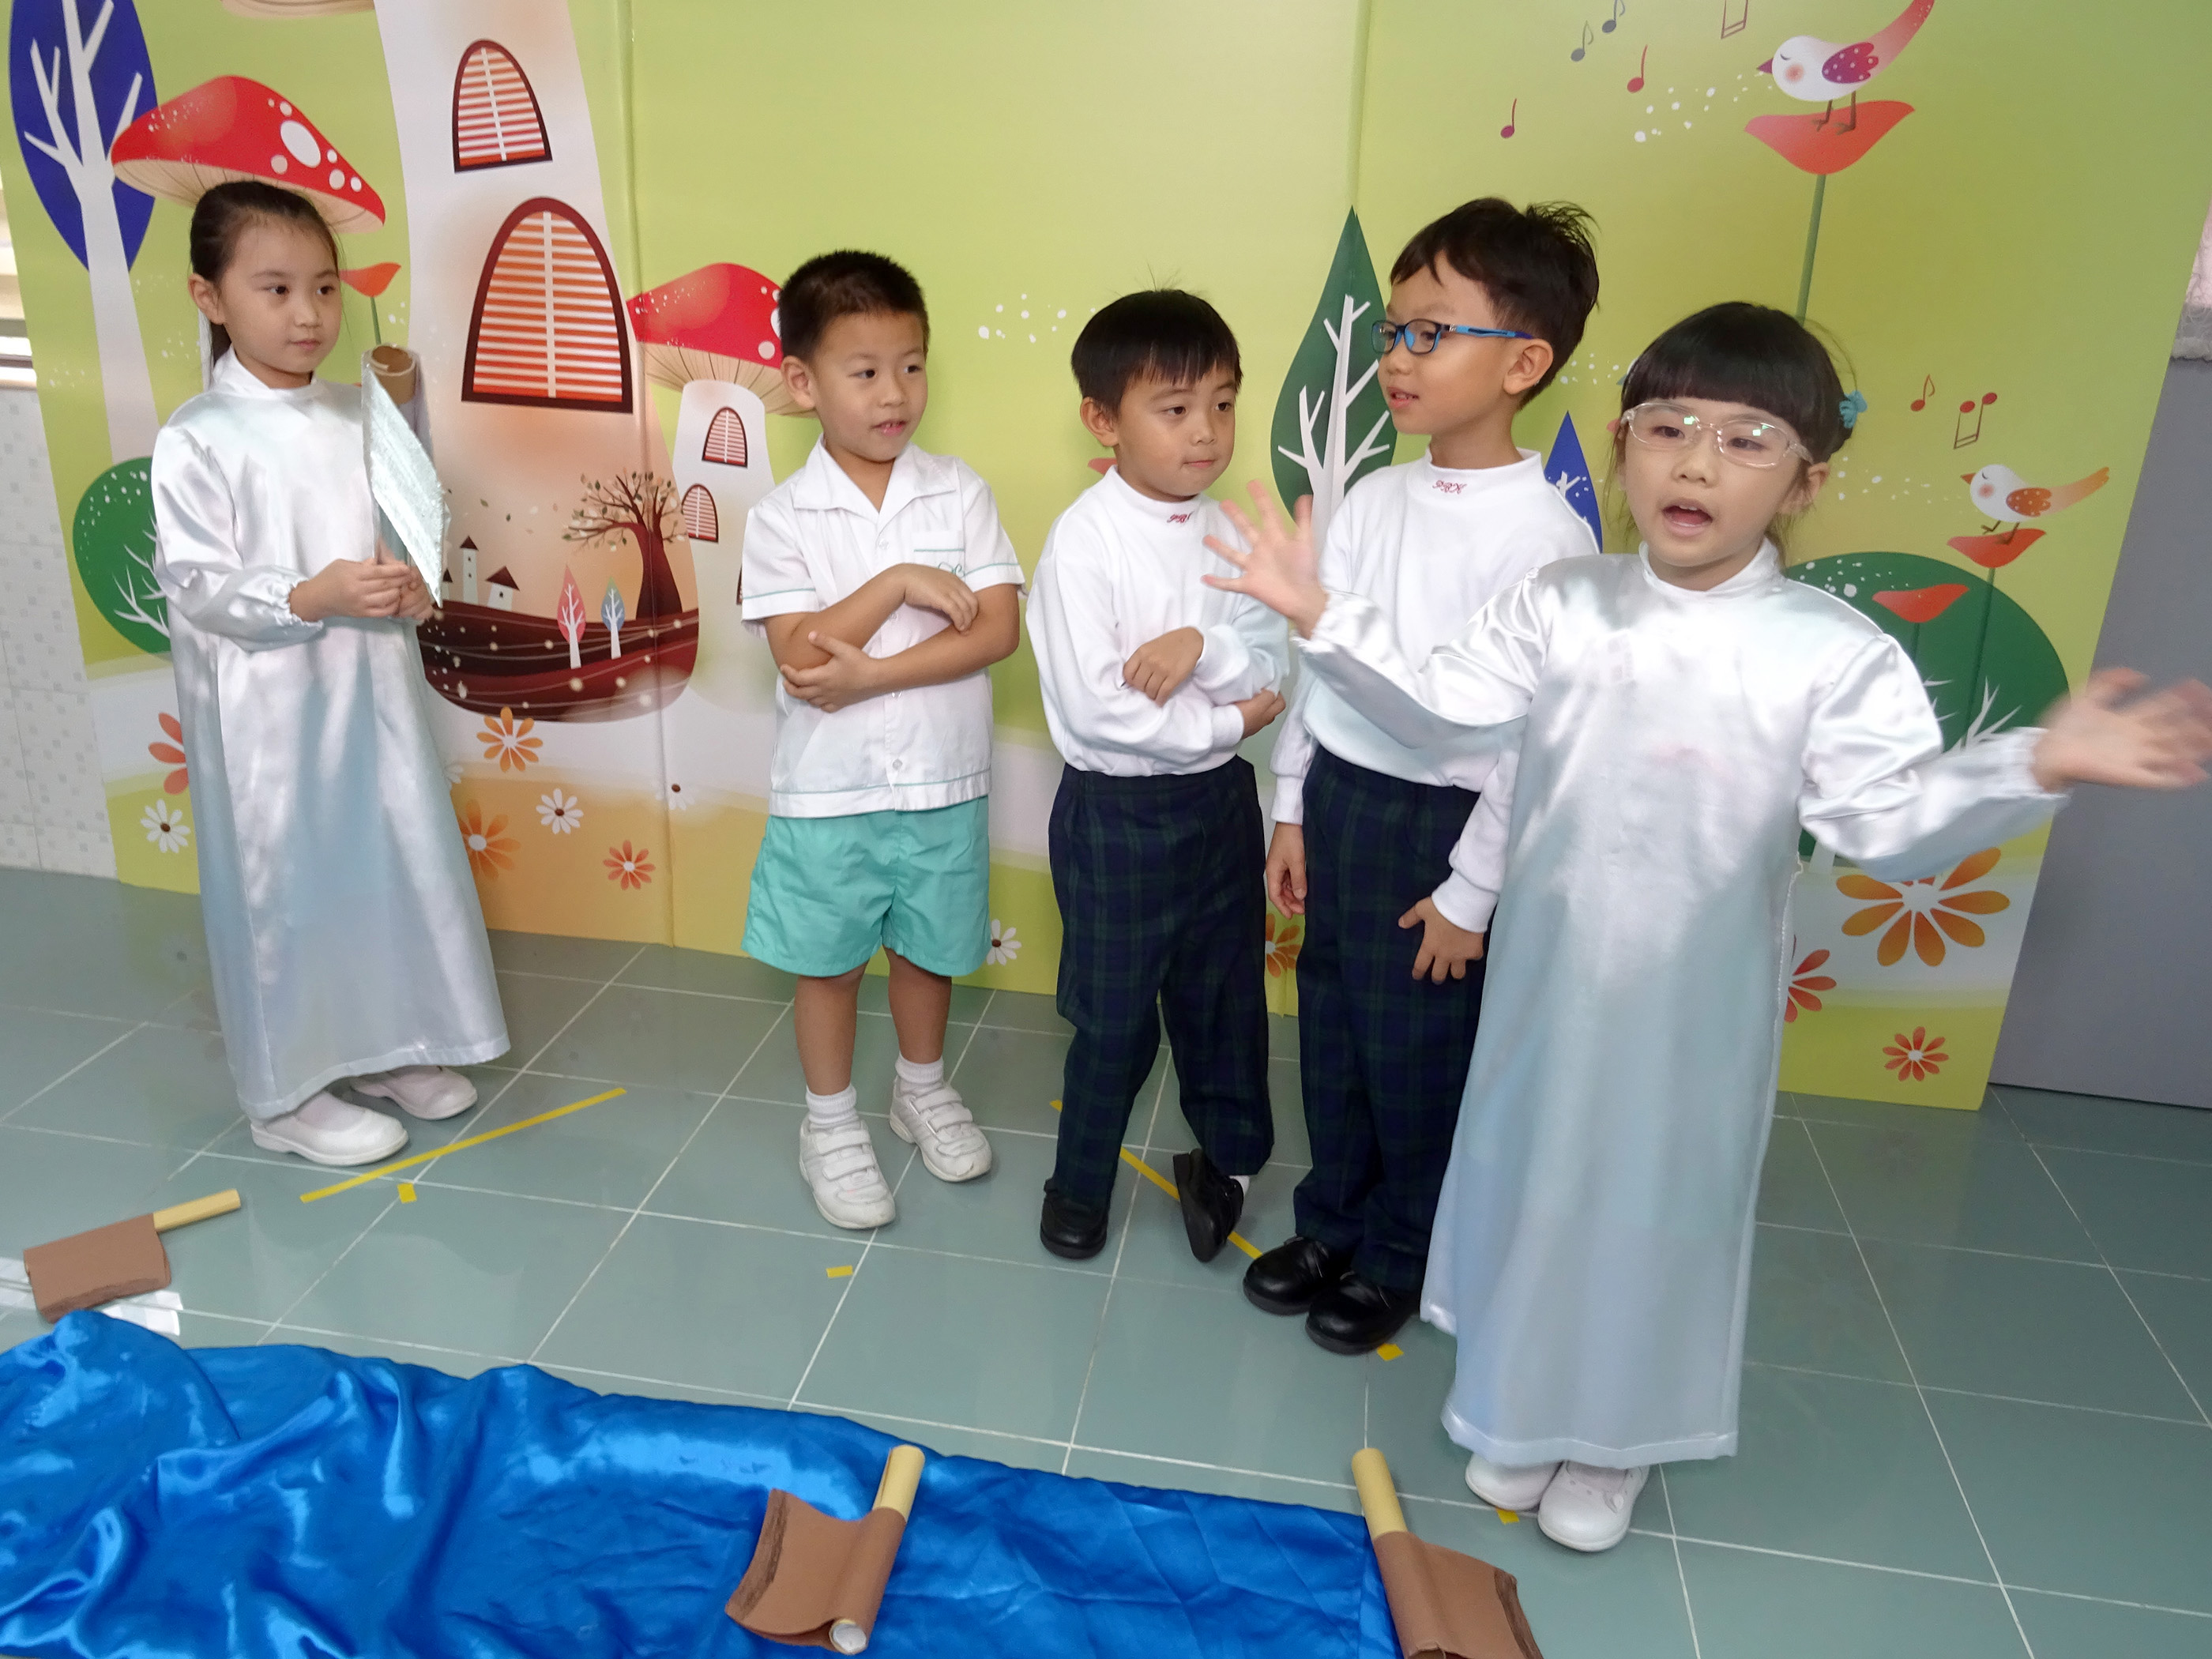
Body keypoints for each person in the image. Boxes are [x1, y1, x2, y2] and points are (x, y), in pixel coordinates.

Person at [1206, 301, 2212, 1553]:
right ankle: (1522, 1403)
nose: (1697, 463)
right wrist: (1322, 616)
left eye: (1747, 440)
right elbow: (1441, 711)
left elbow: (1886, 819)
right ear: (1626, 444)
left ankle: (1615, 1441)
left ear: (1805, 481)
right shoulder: (1565, 601)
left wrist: (2033, 763)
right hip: (1546, 988)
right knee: (1536, 1184)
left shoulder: (1828, 651)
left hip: (1695, 1010)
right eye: (1669, 427)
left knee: (1652, 1208)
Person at [1250, 198, 1602, 1357]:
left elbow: (1533, 741)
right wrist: (1291, 806)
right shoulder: (1373, 499)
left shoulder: (1547, 539)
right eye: (1393, 332)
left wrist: (1470, 891)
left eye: (1431, 334)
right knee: (1334, 1032)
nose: (1397, 358)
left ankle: (1404, 1252)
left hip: (1445, 829)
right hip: (1345, 802)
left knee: (1417, 1060)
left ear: (1525, 363)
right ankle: (1331, 1224)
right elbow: (1321, 667)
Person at [153, 180, 508, 1167]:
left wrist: (414, 581)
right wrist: (310, 595)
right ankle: (287, 1093)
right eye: (275, 289)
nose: (308, 313)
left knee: (382, 860)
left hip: (370, 693)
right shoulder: (199, 435)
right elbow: (197, 583)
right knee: (286, 886)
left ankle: (388, 1045)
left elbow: (410, 527)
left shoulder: (362, 412)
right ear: (209, 296)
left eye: (324, 287)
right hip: (266, 714)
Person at [740, 251, 1023, 1230]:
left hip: (943, 779)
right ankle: (828, 1123)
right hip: (831, 789)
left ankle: (920, 1088)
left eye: (910, 365)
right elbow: (801, 655)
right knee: (826, 960)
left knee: (927, 948)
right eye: (863, 371)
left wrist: (872, 674)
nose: (893, 393)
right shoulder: (780, 518)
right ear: (802, 382)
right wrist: (898, 581)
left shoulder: (959, 491)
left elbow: (996, 631)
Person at [1026, 290, 1288, 1262]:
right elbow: (1102, 712)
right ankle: (1079, 1185)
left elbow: (1272, 663)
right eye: (1174, 409)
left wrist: (1200, 647)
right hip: (1118, 817)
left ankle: (1229, 1162)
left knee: (1225, 999)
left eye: (1222, 403)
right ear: (1104, 420)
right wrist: (1226, 720)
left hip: (1219, 805)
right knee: (1115, 1018)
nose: (1206, 431)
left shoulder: (1232, 533)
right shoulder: (1084, 540)